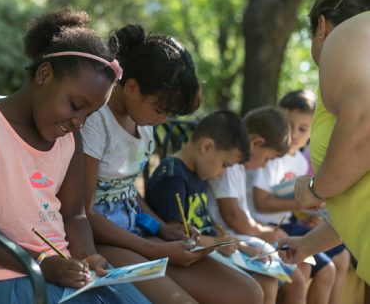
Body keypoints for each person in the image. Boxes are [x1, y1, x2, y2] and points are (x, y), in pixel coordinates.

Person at [0, 8, 150, 304]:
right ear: (44, 74)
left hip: (55, 270)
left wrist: (88, 256)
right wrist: (40, 263)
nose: (79, 122)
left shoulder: (70, 139)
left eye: (89, 115)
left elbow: (74, 214)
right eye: (76, 105)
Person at [82, 24, 264, 304]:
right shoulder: (96, 120)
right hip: (102, 239)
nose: (164, 119)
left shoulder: (143, 123)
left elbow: (126, 191)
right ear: (131, 87)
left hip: (138, 233)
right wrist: (155, 248)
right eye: (160, 109)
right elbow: (85, 213)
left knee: (248, 292)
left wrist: (163, 228)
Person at [277, 0, 370, 286]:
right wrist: (306, 245)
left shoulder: (347, 37)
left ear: (321, 26)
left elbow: (365, 126)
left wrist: (315, 189)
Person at [145, 110, 279, 304]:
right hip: (185, 258)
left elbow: (207, 223)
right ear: (207, 147)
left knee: (266, 281)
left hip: (209, 250)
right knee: (254, 289)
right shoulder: (173, 177)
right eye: (225, 165)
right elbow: (175, 235)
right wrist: (218, 243)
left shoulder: (199, 173)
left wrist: (240, 245)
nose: (223, 173)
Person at [251, 90, 350, 304]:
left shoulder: (300, 163)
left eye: (303, 129)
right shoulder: (269, 156)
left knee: (332, 266)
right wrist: (301, 203)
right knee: (305, 267)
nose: (294, 134)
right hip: (269, 225)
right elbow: (261, 202)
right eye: (289, 125)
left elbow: (297, 206)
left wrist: (312, 212)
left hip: (289, 224)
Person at [208, 106, 312, 304]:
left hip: (241, 237)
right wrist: (263, 233)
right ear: (256, 143)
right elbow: (232, 216)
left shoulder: (238, 168)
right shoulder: (229, 167)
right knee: (286, 280)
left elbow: (243, 213)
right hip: (229, 239)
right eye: (267, 159)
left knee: (302, 268)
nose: (264, 165)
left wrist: (266, 229)